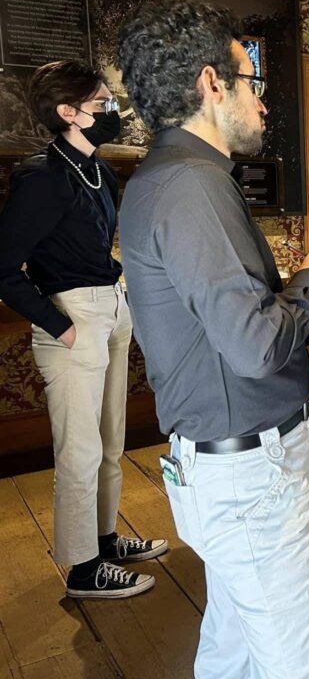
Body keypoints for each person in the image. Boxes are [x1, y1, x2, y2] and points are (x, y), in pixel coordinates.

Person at [117, 0, 309, 678]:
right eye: (250, 84)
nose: (262, 105)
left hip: (223, 465)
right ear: (212, 86)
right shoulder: (191, 187)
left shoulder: (161, 180)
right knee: (303, 665)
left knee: (233, 652)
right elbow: (257, 346)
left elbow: (229, 334)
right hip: (248, 475)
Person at [0, 60, 166, 599]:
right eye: (100, 104)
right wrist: (60, 326)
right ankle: (82, 570)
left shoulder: (99, 171)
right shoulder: (41, 176)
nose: (111, 110)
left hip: (110, 309)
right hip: (72, 319)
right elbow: (3, 268)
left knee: (111, 443)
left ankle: (104, 538)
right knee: (79, 451)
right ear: (68, 113)